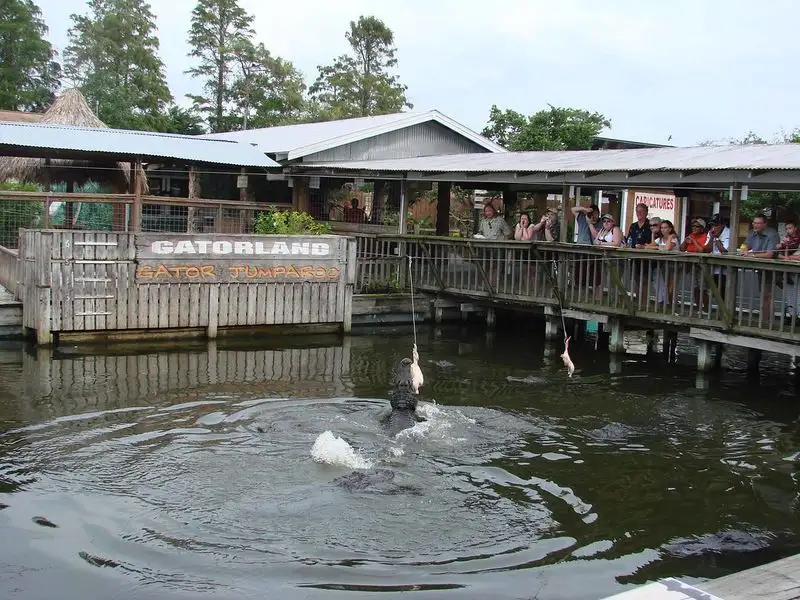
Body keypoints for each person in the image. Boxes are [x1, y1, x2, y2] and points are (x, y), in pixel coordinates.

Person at [741, 214, 781, 320]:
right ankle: (764, 320)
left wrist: (751, 254)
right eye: (754, 222)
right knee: (764, 294)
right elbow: (745, 245)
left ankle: (769, 321)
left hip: (772, 267)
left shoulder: (772, 234)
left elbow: (770, 254)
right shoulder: (752, 232)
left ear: (765, 224)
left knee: (768, 295)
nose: (755, 225)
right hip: (760, 267)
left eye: (758, 223)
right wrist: (744, 249)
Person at [702, 214, 731, 313]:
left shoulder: (728, 233)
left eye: (716, 225)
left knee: (724, 293)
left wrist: (717, 238)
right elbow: (706, 249)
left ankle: (724, 314)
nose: (713, 228)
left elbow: (724, 251)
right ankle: (717, 313)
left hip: (726, 268)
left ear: (722, 225)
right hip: (714, 268)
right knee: (714, 291)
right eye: (712, 225)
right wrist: (711, 238)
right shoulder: (711, 233)